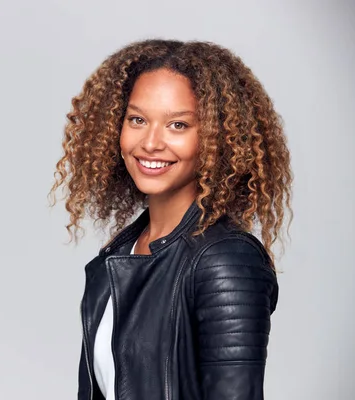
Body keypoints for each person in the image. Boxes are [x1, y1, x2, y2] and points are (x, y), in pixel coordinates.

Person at [49, 39, 292, 400]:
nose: (150, 142)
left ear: (216, 140)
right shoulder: (117, 256)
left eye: (177, 125)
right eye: (137, 120)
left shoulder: (225, 260)